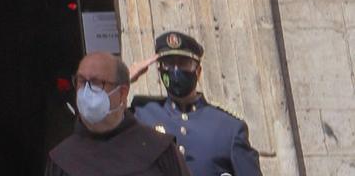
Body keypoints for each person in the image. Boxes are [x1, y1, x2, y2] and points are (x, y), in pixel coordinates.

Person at [130, 32, 261, 176]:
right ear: (160, 70)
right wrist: (123, 79)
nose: (175, 70)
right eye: (168, 63)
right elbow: (104, 129)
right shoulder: (141, 113)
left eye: (183, 64)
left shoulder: (229, 128)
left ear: (198, 71)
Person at [45, 53, 187, 175]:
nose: (87, 92)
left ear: (122, 93)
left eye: (97, 83)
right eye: (82, 81)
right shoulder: (62, 159)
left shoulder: (159, 149)